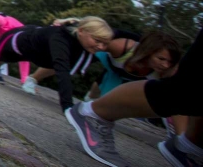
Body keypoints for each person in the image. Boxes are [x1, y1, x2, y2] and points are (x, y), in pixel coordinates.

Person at [65, 27, 201, 167]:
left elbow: (178, 103)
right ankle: (90, 114)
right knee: (97, 88)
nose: (165, 65)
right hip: (114, 68)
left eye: (169, 62)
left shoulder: (162, 72)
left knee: (183, 91)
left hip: (130, 80)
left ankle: (187, 148)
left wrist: (180, 137)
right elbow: (98, 40)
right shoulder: (121, 47)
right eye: (161, 59)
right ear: (148, 52)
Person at [0, 17, 112, 112]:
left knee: (7, 59)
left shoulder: (81, 42)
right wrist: (68, 106)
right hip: (18, 40)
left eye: (104, 43)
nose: (100, 46)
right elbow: (62, 70)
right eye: (97, 41)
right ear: (81, 31)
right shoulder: (60, 39)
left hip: (33, 51)